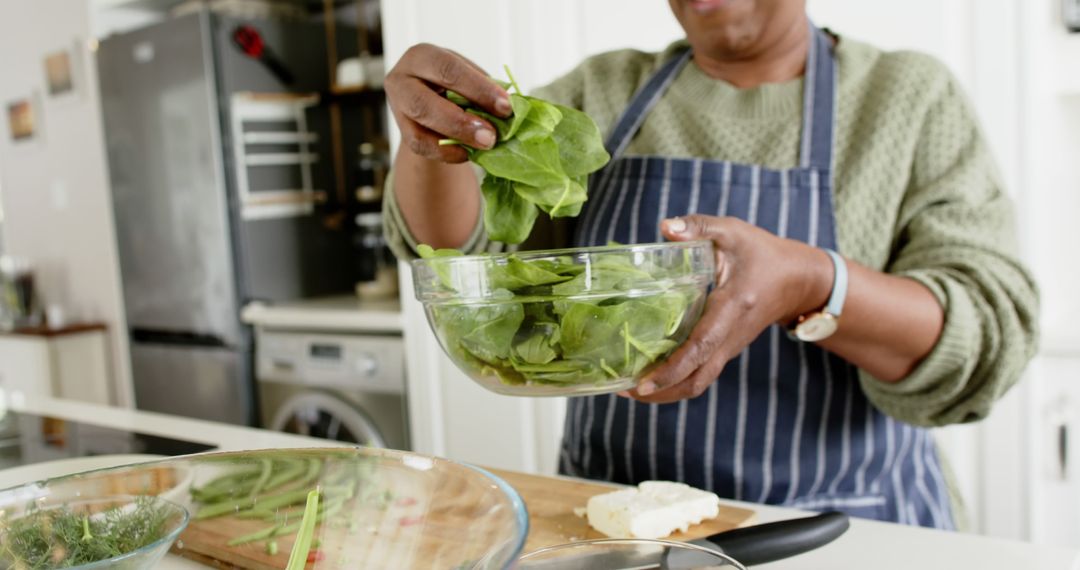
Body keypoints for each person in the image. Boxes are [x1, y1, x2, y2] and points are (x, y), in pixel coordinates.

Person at [381, 0, 1038, 529]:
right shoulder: (602, 92)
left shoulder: (907, 98)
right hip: (615, 527)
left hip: (846, 529)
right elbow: (464, 260)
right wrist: (436, 141)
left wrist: (813, 282)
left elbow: (982, 334)